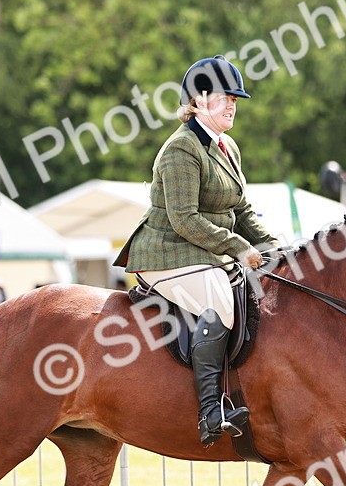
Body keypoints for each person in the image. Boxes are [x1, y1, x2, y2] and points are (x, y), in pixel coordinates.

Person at [113, 55, 280, 446]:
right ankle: (210, 411)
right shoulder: (180, 149)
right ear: (200, 101)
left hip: (205, 255)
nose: (234, 105)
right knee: (221, 300)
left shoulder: (228, 147)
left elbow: (241, 210)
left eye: (236, 100)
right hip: (166, 254)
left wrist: (276, 248)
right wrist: (239, 247)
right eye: (227, 98)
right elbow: (184, 219)